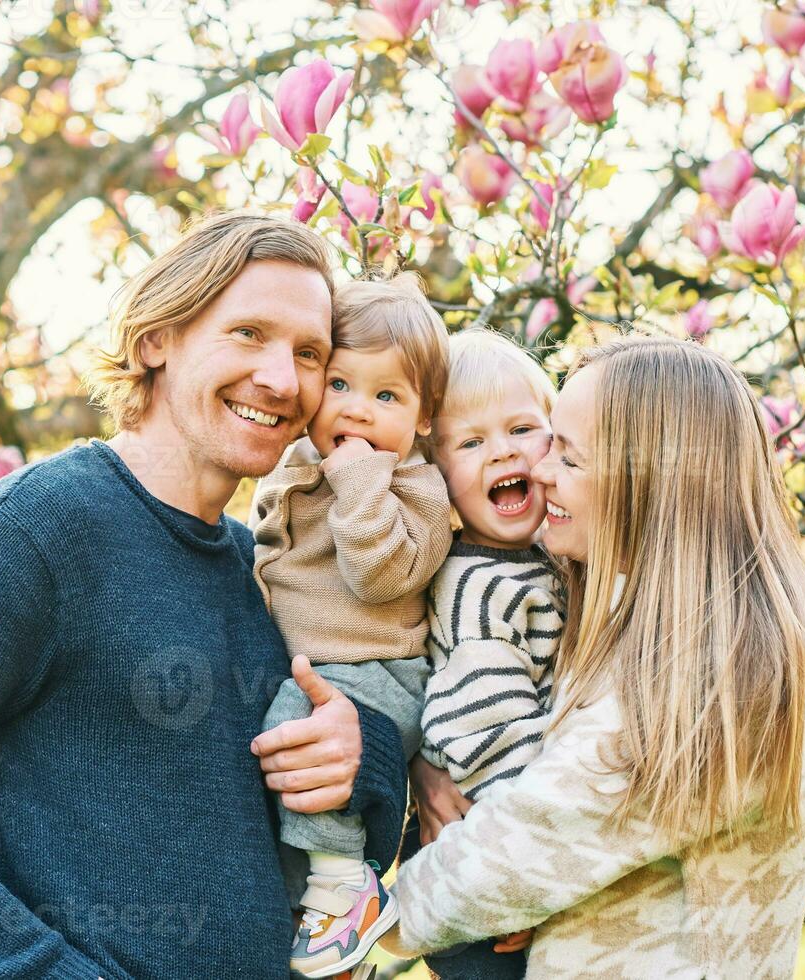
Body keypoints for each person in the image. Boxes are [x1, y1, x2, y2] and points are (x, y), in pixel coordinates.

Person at [0, 211, 410, 980]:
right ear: (157, 339)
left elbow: (312, 815)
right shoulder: (38, 529)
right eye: (248, 333)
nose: (282, 379)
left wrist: (366, 758)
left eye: (308, 353)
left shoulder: (269, 569)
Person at [388, 336, 805, 978]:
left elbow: (521, 848)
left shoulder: (722, 668)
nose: (538, 471)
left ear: (650, 479)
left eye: (566, 456)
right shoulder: (630, 616)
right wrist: (433, 771)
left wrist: (367, 909)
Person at [249, 273, 452, 978]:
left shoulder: (414, 491)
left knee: (294, 724)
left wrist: (360, 480)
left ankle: (344, 890)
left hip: (380, 676)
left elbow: (378, 574)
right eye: (340, 385)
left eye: (386, 396)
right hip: (324, 667)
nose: (358, 411)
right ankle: (333, 918)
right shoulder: (297, 465)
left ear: (424, 419)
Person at [402, 328, 568, 980]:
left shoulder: (535, 561)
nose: (501, 451)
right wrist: (521, 872)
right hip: (486, 860)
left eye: (522, 428)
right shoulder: (479, 586)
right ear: (438, 478)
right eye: (470, 442)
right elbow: (485, 729)